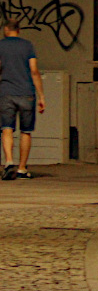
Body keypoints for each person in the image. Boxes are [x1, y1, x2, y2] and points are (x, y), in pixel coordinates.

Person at [0, 19, 45, 180]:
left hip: (6, 92)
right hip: (26, 93)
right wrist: (41, 96)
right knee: (26, 131)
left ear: (6, 29)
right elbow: (34, 71)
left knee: (7, 129)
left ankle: (8, 161)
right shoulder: (27, 46)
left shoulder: (1, 45)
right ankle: (21, 168)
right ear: (18, 30)